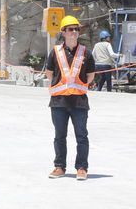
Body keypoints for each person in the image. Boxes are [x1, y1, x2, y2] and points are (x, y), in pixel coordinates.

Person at [45, 15, 95, 181]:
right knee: (59, 136)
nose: (74, 32)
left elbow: (90, 76)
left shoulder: (86, 53)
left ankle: (81, 168)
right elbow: (49, 74)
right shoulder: (55, 52)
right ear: (63, 32)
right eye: (70, 29)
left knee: (81, 136)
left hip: (79, 102)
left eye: (76, 29)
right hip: (58, 102)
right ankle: (59, 167)